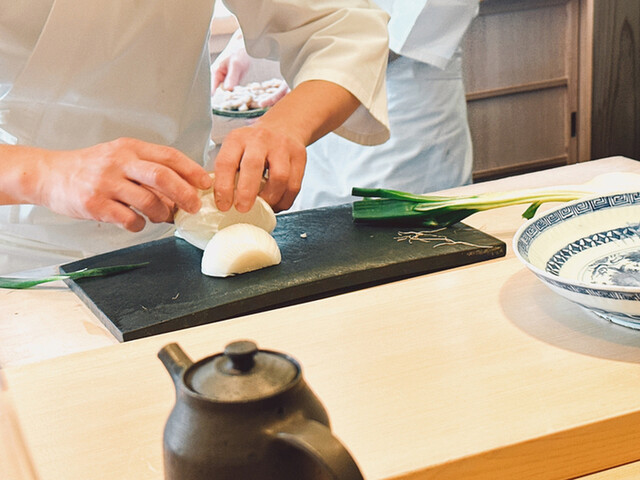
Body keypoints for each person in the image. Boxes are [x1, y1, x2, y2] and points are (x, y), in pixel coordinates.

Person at [0, 0, 390, 275]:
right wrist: (46, 174)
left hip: (182, 237)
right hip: (18, 253)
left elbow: (343, 26)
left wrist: (287, 124)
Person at [212, 0, 479, 211]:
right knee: (318, 228)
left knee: (402, 232)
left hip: (407, 94)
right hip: (325, 93)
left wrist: (322, 65)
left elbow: (420, 16)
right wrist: (251, 39)